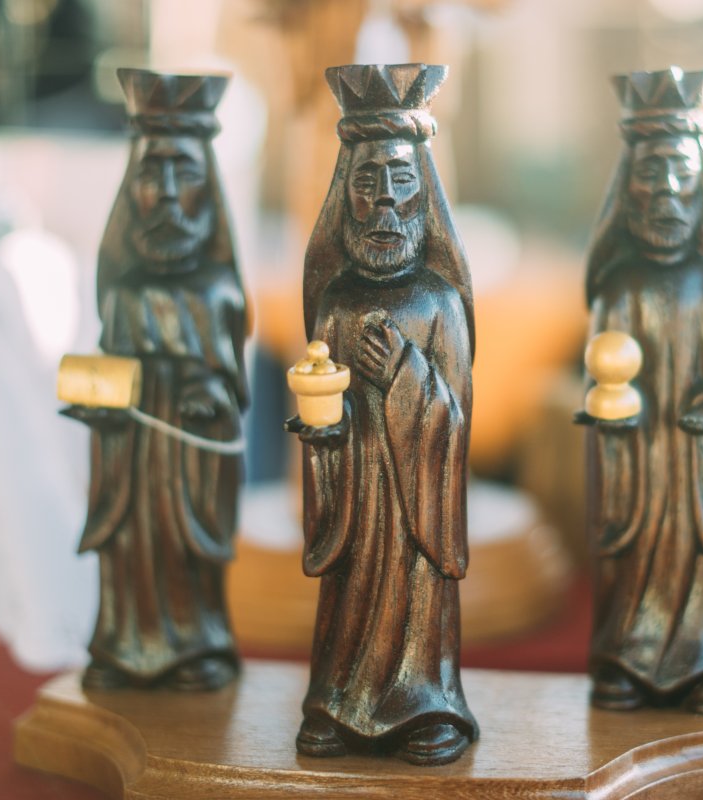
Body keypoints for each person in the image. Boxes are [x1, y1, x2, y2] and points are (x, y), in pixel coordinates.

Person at [286, 63, 477, 766]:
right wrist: (323, 432)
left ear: (425, 193)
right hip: (355, 509)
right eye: (367, 186)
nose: (387, 205)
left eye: (401, 183)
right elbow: (318, 391)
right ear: (345, 200)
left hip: (412, 513)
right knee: (349, 596)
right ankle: (338, 701)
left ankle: (425, 701)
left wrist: (404, 375)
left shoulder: (439, 305)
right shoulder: (335, 302)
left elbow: (454, 426)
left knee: (415, 594)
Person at [64, 69, 249, 691]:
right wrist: (102, 409)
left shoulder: (216, 292)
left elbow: (228, 390)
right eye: (152, 173)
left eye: (186, 173)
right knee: (130, 553)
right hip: (134, 465)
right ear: (131, 189)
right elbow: (109, 369)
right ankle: (123, 643)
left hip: (186, 471)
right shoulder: (122, 292)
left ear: (210, 192)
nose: (168, 193)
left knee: (181, 556)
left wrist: (207, 397)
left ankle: (196, 645)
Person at [580, 66, 703, 715]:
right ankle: (624, 655)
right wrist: (611, 411)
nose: (665, 193)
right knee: (630, 568)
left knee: (700, 566)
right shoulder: (619, 289)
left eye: (681, 173)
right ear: (626, 189)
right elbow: (602, 368)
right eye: (648, 175)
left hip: (694, 468)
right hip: (637, 472)